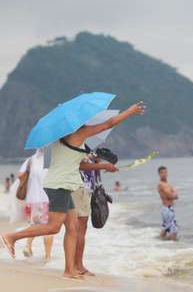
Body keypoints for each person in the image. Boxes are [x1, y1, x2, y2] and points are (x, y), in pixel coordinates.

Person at [1, 101, 145, 279]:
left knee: (73, 227)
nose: (89, 120)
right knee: (54, 227)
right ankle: (12, 237)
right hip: (59, 184)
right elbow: (109, 123)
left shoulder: (59, 140)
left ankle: (69, 270)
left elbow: (78, 165)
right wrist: (130, 111)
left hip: (63, 184)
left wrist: (103, 166)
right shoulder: (79, 133)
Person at [73, 154, 119, 276]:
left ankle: (74, 264)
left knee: (76, 229)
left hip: (81, 189)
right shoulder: (79, 146)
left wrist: (97, 163)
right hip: (81, 189)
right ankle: (78, 266)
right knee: (80, 229)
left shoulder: (83, 149)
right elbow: (80, 165)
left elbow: (86, 165)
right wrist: (102, 165)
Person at [18, 150, 54, 262]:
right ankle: (47, 257)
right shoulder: (53, 158)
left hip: (32, 199)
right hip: (47, 198)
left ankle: (27, 246)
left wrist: (31, 177)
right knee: (49, 228)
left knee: (34, 224)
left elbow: (20, 175)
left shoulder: (31, 159)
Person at [157, 166, 178, 241]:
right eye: (162, 172)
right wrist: (173, 195)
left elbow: (176, 195)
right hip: (166, 209)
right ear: (159, 174)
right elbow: (169, 196)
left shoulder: (169, 184)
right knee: (173, 230)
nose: (164, 174)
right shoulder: (160, 184)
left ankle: (160, 242)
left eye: (165, 172)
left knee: (166, 228)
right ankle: (174, 245)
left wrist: (173, 195)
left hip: (170, 209)